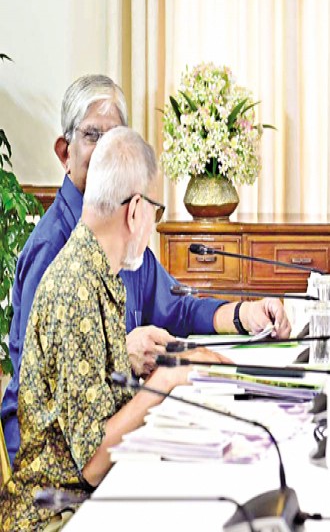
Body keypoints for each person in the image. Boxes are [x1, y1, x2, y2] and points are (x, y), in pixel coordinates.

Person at [1, 75, 289, 465]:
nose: (106, 150)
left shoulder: (120, 240)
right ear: (64, 152)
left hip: (104, 433)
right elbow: (41, 376)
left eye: (114, 136)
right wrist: (130, 359)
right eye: (92, 136)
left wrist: (244, 314)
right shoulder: (56, 251)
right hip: (54, 461)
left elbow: (179, 308)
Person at [0, 128, 231, 530]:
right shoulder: (76, 286)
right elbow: (91, 463)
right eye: (155, 213)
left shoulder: (98, 271)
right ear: (136, 209)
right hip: (56, 512)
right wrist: (169, 379)